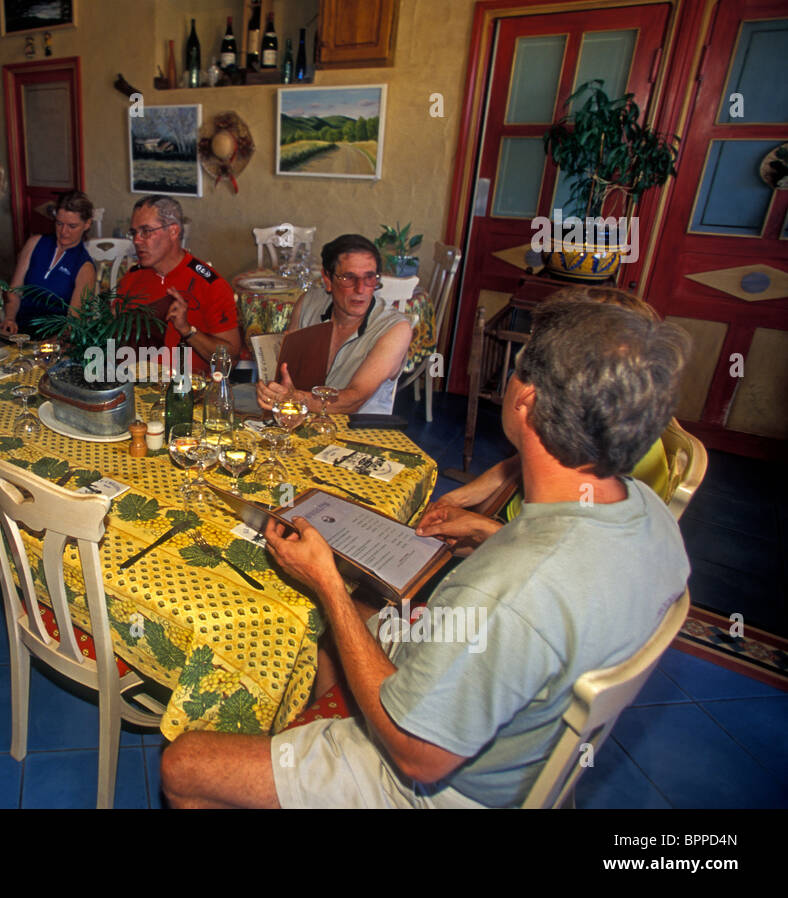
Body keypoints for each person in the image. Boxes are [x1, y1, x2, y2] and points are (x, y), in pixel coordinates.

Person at [160, 295, 691, 808]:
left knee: (183, 765)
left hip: (430, 786)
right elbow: (557, 577)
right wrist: (491, 533)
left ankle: (315, 763)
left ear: (525, 400)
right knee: (353, 613)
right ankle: (312, 740)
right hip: (521, 741)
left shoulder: (508, 590)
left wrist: (325, 582)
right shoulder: (648, 511)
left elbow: (416, 756)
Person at [435, 286, 673, 536]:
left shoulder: (621, 449)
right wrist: (458, 499)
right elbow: (520, 461)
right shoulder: (604, 410)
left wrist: (482, 529)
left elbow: (566, 550)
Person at [257, 234, 412, 416]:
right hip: (303, 422)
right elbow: (288, 369)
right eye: (348, 277)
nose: (360, 289)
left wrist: (293, 397)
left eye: (369, 278)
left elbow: (354, 400)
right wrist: (274, 390)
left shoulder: (395, 329)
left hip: (358, 434)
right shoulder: (309, 303)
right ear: (328, 279)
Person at [116, 196, 240, 373]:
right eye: (134, 233)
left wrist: (188, 331)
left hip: (187, 391)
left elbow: (231, 359)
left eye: (146, 231)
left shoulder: (211, 285)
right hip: (134, 385)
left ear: (173, 231)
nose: (136, 240)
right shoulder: (132, 278)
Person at [0, 191, 97, 337]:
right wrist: (9, 318)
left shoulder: (84, 267)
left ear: (87, 224)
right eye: (59, 223)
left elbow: (74, 322)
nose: (64, 232)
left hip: (52, 339)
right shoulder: (35, 244)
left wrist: (51, 346)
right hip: (19, 332)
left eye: (72, 226)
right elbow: (15, 290)